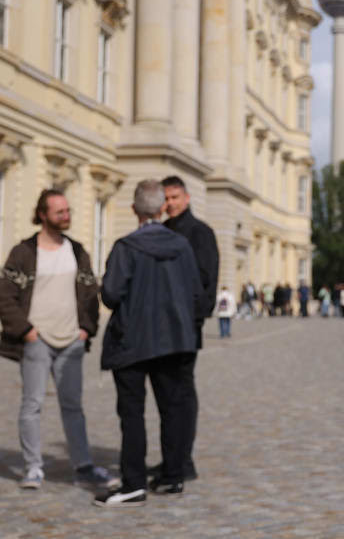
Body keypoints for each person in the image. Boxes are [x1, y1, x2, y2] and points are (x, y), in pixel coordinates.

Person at [94, 180, 204, 507]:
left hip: (132, 339)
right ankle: (173, 476)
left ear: (134, 209)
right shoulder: (182, 246)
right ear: (162, 208)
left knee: (132, 414)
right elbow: (195, 291)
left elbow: (111, 294)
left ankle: (133, 483)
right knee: (172, 409)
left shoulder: (126, 247)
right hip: (174, 338)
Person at [0, 189, 118, 491]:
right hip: (36, 340)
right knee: (32, 405)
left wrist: (85, 329)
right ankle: (33, 467)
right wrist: (26, 331)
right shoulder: (23, 252)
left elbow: (91, 294)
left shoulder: (77, 251)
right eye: (59, 212)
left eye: (68, 211)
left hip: (71, 342)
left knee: (73, 406)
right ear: (43, 215)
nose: (66, 216)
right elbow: (5, 295)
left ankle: (83, 465)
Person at [154, 175, 219, 483]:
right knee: (165, 396)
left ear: (187, 198)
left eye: (174, 197)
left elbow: (207, 283)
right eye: (165, 199)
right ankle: (172, 459)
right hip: (159, 327)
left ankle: (182, 461)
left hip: (184, 328)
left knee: (180, 394)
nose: (170, 204)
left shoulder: (200, 233)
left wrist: (192, 321)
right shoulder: (162, 230)